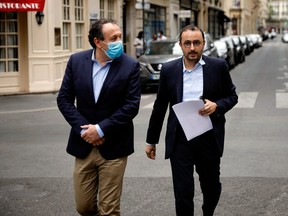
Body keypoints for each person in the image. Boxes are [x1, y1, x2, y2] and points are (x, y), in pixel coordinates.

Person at [145, 25, 238, 216]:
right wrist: (151, 140)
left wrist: (217, 106)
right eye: (187, 43)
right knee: (182, 191)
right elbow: (160, 106)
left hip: (208, 137)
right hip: (180, 139)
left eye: (197, 43)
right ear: (180, 45)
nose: (192, 47)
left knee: (211, 187)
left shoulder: (218, 66)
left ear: (204, 44)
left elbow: (232, 96)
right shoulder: (170, 70)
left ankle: (207, 211)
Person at [57, 18, 141, 216]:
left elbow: (131, 106)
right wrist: (86, 130)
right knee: (84, 207)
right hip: (84, 144)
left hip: (115, 146)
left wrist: (101, 129)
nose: (119, 41)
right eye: (114, 38)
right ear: (98, 42)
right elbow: (64, 100)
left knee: (109, 210)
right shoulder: (76, 61)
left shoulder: (130, 66)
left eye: (120, 36)